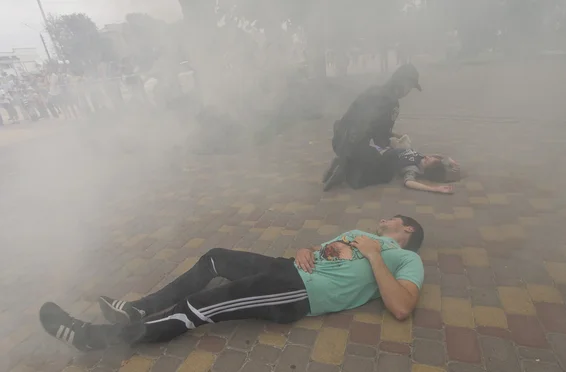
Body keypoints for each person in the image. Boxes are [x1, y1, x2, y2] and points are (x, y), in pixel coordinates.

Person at [39, 215, 425, 351]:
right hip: (288, 267)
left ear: (406, 228)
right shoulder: (358, 231)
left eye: (391, 219)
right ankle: (139, 307)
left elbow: (402, 307)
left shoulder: (406, 258)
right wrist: (308, 247)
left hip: (300, 292)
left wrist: (375, 254)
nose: (383, 220)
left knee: (204, 306)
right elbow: (324, 250)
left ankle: (93, 339)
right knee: (216, 257)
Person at [323, 63, 422, 191]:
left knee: (371, 151)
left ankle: (342, 161)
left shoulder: (373, 90)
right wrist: (395, 145)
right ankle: (346, 170)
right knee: (387, 170)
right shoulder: (392, 103)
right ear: (401, 81)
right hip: (354, 148)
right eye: (409, 86)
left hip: (339, 140)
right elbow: (380, 139)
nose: (408, 91)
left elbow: (366, 123)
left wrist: (393, 135)